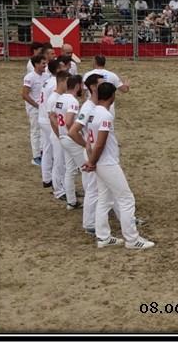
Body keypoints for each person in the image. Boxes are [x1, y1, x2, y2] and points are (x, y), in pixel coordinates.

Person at [83, 83, 155, 250]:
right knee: (126, 198)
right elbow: (100, 143)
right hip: (106, 162)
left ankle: (103, 237)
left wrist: (91, 160)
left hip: (98, 161)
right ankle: (132, 239)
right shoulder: (106, 116)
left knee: (104, 198)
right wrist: (92, 161)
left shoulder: (92, 112)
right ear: (112, 96)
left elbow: (89, 140)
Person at [67, 74, 103, 235]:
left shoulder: (96, 106)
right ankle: (89, 223)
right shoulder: (88, 107)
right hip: (92, 152)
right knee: (92, 188)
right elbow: (73, 130)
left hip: (97, 152)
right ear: (94, 87)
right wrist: (86, 144)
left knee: (101, 187)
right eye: (102, 84)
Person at [55, 74, 84, 209]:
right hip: (71, 139)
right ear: (77, 86)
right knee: (86, 169)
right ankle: (93, 201)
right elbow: (68, 122)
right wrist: (77, 137)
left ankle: (71, 201)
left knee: (70, 170)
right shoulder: (73, 101)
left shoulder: (60, 99)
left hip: (63, 138)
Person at [37, 59, 67, 190]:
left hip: (42, 117)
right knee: (57, 153)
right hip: (49, 119)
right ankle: (58, 185)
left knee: (47, 148)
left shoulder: (48, 81)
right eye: (62, 67)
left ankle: (46, 178)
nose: (65, 68)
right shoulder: (56, 83)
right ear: (57, 70)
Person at [22, 54, 50, 166]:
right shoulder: (29, 77)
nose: (45, 65)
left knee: (44, 130)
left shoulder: (46, 76)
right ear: (36, 64)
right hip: (34, 108)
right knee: (35, 131)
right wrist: (36, 105)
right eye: (43, 63)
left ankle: (42, 152)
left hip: (44, 108)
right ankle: (36, 156)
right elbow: (25, 94)